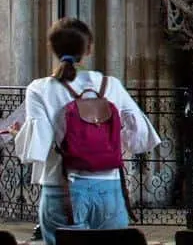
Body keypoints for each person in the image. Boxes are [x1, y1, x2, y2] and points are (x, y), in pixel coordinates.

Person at [11, 18, 160, 245]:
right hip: (109, 188)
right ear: (88, 49)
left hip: (63, 188)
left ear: (52, 49)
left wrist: (18, 136)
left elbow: (36, 149)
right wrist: (107, 143)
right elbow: (141, 135)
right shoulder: (111, 85)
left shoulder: (40, 89)